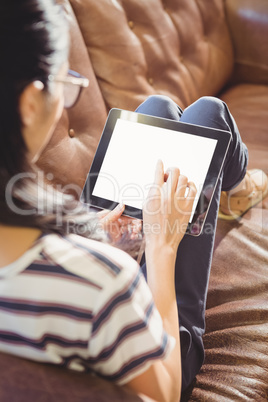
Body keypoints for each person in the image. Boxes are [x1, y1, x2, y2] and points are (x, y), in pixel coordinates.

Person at [0, 1, 267, 401]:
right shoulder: (108, 282)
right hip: (162, 348)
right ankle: (241, 186)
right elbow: (166, 391)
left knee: (158, 110)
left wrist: (91, 235)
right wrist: (161, 245)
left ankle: (238, 184)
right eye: (64, 86)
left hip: (87, 268)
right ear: (30, 103)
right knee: (209, 115)